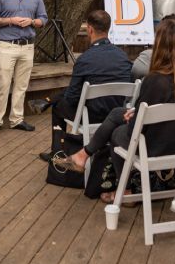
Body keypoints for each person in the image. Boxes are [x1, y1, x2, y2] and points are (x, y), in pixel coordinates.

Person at [53, 17, 175, 204]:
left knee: (116, 134)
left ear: (160, 45)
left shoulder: (154, 80)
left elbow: (135, 132)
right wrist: (137, 113)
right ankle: (82, 155)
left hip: (155, 146)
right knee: (117, 113)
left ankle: (129, 190)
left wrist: (135, 117)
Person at [27, 10, 132, 161]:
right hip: (118, 113)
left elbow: (72, 98)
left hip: (92, 115)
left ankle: (57, 152)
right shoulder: (123, 56)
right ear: (109, 28)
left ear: (89, 29)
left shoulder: (85, 59)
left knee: (58, 107)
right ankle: (47, 101)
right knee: (75, 90)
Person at [0, 0, 48, 134]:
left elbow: (44, 18)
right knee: (3, 84)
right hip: (7, 46)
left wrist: (33, 22)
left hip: (28, 47)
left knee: (21, 86)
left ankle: (16, 120)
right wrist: (10, 20)